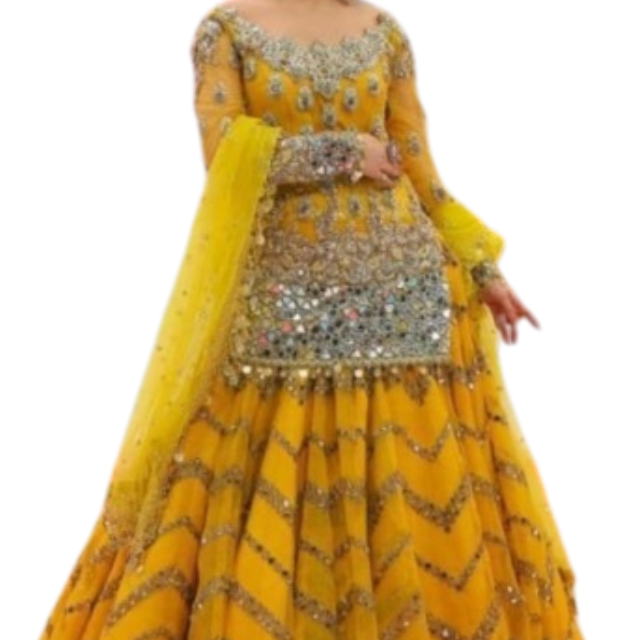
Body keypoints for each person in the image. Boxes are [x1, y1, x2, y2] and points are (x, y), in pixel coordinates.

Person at [39, 1, 585, 639]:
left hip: (404, 302)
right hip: (283, 304)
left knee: (412, 495)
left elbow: (423, 177)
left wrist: (483, 270)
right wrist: (344, 150)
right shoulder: (227, 32)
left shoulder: (384, 33)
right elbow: (225, 154)